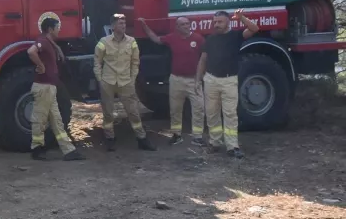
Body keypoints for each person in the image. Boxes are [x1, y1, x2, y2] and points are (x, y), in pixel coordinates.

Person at [196, 9, 259, 159]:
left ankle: (232, 146)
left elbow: (254, 29)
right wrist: (198, 79)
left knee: (230, 114)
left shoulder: (236, 36)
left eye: (220, 22)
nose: (216, 24)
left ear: (228, 22)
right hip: (211, 80)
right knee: (212, 114)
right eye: (215, 22)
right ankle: (215, 143)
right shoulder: (210, 39)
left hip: (229, 80)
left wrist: (242, 17)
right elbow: (203, 59)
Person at [94, 14, 156, 152]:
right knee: (108, 113)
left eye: (124, 23)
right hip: (108, 82)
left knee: (133, 112)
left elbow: (135, 62)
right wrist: (100, 79)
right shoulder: (103, 42)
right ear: (113, 26)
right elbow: (97, 62)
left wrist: (132, 79)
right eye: (120, 23)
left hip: (126, 82)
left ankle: (142, 139)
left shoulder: (132, 42)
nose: (123, 26)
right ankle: (110, 138)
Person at [140, 16, 206, 145]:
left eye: (188, 24)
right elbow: (156, 39)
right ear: (177, 27)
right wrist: (144, 25)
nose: (187, 26)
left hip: (194, 80)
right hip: (176, 80)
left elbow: (204, 59)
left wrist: (200, 78)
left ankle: (197, 137)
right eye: (183, 24)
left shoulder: (198, 39)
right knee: (175, 109)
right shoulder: (172, 38)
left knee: (198, 109)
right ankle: (177, 135)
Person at [26, 17, 83, 161]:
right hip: (44, 87)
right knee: (40, 119)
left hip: (49, 87)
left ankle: (68, 151)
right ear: (50, 29)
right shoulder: (43, 41)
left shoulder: (49, 43)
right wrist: (41, 65)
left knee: (56, 120)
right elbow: (31, 51)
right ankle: (36, 148)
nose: (59, 30)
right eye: (57, 27)